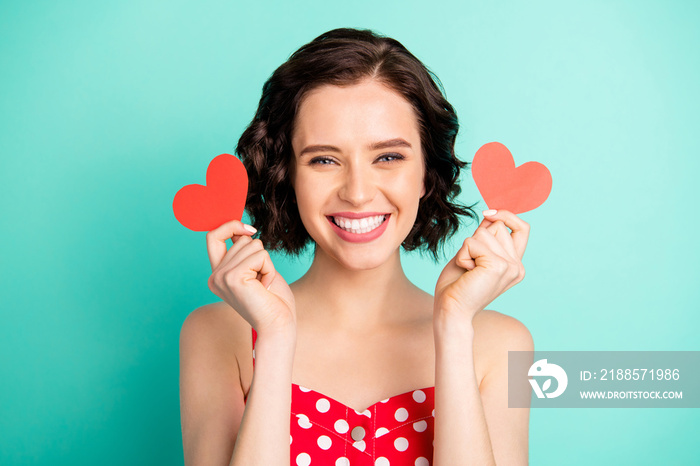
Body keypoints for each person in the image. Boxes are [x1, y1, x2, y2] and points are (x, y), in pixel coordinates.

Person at [179, 28, 533, 466]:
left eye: (388, 157)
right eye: (324, 159)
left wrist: (455, 327)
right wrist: (273, 338)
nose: (358, 193)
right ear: (288, 173)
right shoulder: (218, 335)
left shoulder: (504, 345)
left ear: (426, 171)